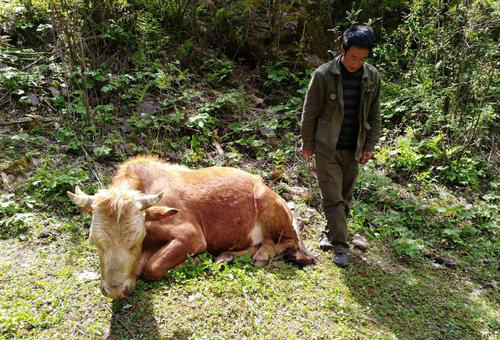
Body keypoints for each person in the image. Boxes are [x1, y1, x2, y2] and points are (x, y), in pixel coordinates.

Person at [300, 25, 381, 268]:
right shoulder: (324, 75)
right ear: (342, 50)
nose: (356, 63)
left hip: (354, 147)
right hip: (327, 147)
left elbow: (374, 114)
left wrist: (369, 145)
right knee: (333, 197)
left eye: (362, 58)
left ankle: (329, 232)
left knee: (345, 196)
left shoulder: (372, 76)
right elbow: (309, 111)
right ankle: (340, 246)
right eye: (353, 57)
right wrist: (307, 143)